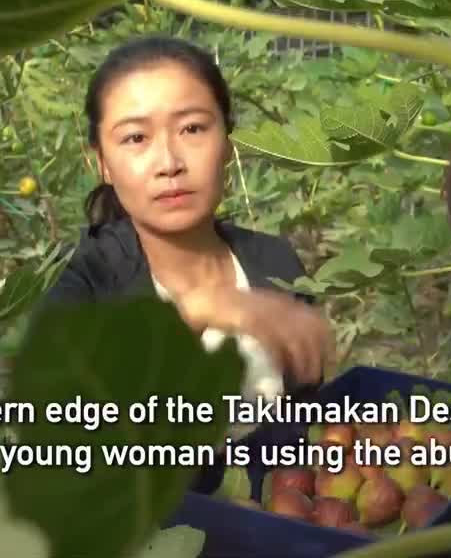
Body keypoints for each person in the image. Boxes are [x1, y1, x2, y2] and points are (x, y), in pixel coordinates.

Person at [36, 34, 333, 398]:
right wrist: (198, 309)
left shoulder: (276, 261)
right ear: (102, 164)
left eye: (192, 129)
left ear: (227, 143)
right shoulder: (76, 283)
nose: (169, 163)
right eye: (135, 138)